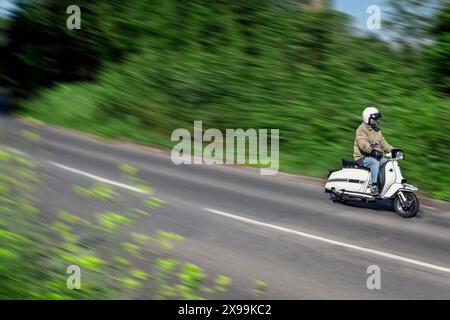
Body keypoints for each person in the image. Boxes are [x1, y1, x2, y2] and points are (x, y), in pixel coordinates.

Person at [354, 107, 393, 195]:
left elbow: (384, 144)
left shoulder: (377, 131)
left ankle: (384, 184)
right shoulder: (361, 129)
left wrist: (394, 150)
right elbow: (362, 143)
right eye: (374, 118)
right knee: (375, 163)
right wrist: (372, 151)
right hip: (362, 157)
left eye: (376, 119)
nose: (376, 120)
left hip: (375, 156)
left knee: (388, 162)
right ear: (367, 118)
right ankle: (374, 187)